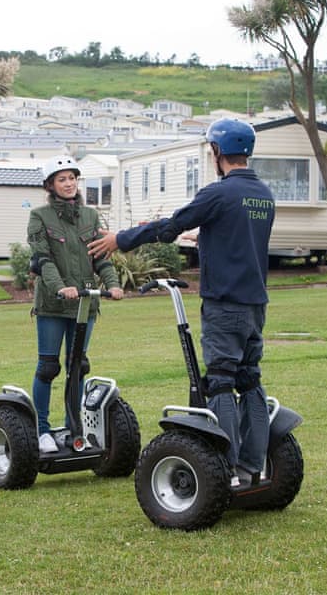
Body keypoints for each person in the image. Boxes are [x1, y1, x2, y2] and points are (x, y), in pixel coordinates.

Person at [88, 118, 275, 486]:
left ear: (217, 151)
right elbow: (237, 238)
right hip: (256, 304)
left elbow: (170, 225)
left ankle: (226, 468)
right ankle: (253, 466)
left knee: (220, 381)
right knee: (250, 379)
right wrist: (204, 239)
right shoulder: (263, 194)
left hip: (225, 303)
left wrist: (121, 239)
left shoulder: (218, 193)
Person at [28, 155, 124, 453]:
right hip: (53, 305)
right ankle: (42, 430)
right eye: (62, 179)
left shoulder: (90, 217)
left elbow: (100, 257)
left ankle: (74, 426)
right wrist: (60, 288)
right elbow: (42, 260)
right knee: (48, 367)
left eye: (72, 178)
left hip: (86, 304)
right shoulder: (40, 216)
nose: (69, 184)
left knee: (78, 366)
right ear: (50, 185)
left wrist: (114, 284)